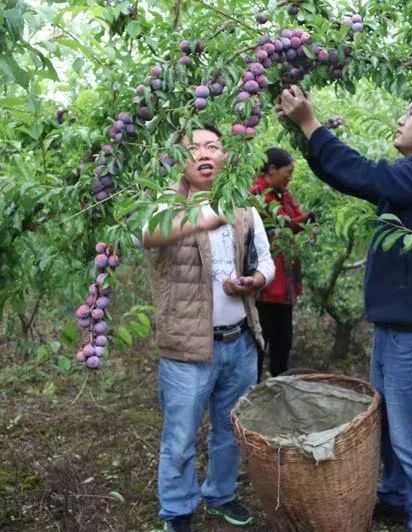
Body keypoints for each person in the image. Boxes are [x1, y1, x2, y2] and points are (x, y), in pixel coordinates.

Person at [275, 85, 412, 531]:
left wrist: (309, 123)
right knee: (389, 430)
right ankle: (398, 499)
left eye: (410, 112)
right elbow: (349, 177)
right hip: (396, 332)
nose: (401, 119)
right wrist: (305, 135)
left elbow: (363, 173)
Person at [141, 124, 275, 532]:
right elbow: (149, 234)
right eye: (193, 147)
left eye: (212, 146)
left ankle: (220, 493)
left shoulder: (244, 208)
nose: (203, 152)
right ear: (180, 159)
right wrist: (208, 214)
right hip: (186, 348)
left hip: (239, 341)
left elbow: (265, 260)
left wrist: (256, 281)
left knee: (231, 431)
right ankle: (178, 510)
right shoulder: (164, 204)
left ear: (225, 157)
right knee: (180, 437)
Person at [248, 147, 312, 382]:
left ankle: (277, 394)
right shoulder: (256, 193)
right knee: (258, 344)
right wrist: (304, 221)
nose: (289, 179)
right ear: (272, 169)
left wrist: (305, 221)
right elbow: (281, 222)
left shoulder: (282, 194)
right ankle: (251, 398)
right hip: (263, 287)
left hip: (281, 287)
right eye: (287, 173)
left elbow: (297, 217)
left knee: (282, 344)